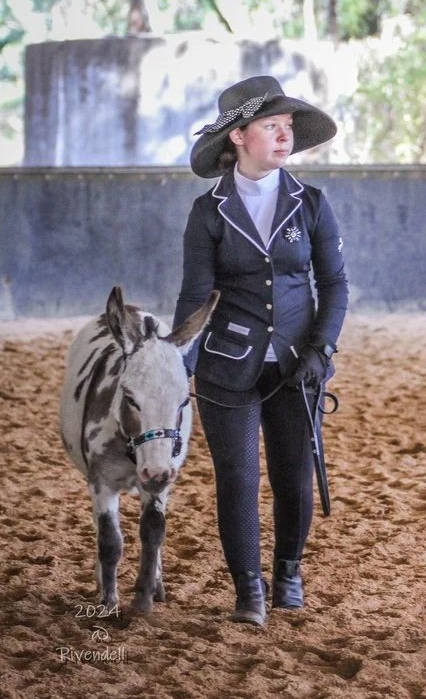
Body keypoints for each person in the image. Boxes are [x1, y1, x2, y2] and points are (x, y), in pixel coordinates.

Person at [174, 75, 349, 627]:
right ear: (238, 137)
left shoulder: (312, 203)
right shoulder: (208, 212)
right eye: (271, 127)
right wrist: (178, 361)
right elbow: (195, 295)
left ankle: (288, 571)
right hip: (228, 367)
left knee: (294, 477)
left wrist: (321, 349)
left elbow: (336, 285)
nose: (284, 138)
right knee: (238, 477)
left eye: (288, 128)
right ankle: (248, 587)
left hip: (299, 365)